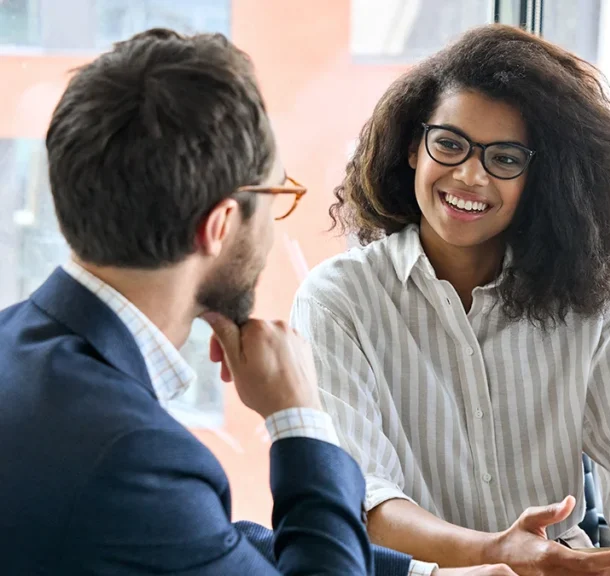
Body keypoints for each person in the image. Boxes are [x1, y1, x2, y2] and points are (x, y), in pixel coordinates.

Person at [0, 28, 510, 576]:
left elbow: (203, 541)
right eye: (276, 195)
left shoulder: (19, 349)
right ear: (219, 225)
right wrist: (298, 419)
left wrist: (429, 574)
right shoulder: (128, 455)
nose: (274, 225)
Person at [291, 24, 610, 576]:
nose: (470, 176)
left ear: (539, 178)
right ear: (411, 148)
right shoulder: (337, 301)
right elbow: (363, 499)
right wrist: (494, 553)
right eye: (449, 144)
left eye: (504, 158)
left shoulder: (585, 301)